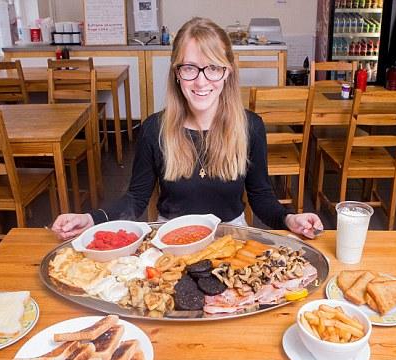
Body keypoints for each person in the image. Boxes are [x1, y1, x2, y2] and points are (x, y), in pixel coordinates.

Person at [52, 17, 323, 240]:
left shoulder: (250, 126)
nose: (201, 82)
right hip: (170, 238)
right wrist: (92, 219)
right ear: (176, 73)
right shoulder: (154, 129)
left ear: (228, 72)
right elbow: (136, 198)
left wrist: (289, 218)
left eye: (213, 68)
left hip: (231, 238)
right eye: (190, 68)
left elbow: (261, 196)